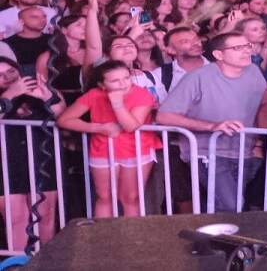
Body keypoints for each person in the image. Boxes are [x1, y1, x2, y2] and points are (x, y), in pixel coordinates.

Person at [156, 32, 267, 213]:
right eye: (237, 48)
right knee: (231, 205)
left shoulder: (254, 72)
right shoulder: (197, 77)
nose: (246, 51)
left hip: (244, 151)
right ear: (218, 54)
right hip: (207, 152)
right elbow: (164, 116)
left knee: (231, 206)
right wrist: (212, 126)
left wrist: (261, 141)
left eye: (247, 46)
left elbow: (263, 107)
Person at [56, 60, 160, 217]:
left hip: (137, 150)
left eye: (126, 78)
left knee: (130, 198)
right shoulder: (94, 94)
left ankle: (131, 233)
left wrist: (117, 104)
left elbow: (131, 126)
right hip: (102, 149)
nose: (123, 84)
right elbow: (64, 120)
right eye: (115, 81)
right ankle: (103, 233)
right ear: (102, 85)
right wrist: (99, 128)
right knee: (104, 197)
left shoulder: (142, 94)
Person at [0, 57, 62, 253]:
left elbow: (62, 114)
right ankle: (20, 262)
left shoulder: (40, 87)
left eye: (11, 71)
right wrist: (10, 95)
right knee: (15, 218)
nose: (7, 77)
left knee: (45, 215)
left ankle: (46, 260)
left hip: (42, 160)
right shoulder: (7, 95)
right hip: (6, 165)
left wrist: (46, 97)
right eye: (0, 75)